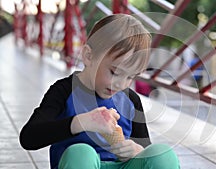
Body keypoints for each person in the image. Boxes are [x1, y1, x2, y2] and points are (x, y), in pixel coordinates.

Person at [19, 14, 179, 169]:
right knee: (81, 153)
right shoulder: (64, 91)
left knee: (163, 155)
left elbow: (146, 148)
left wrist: (136, 151)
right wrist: (81, 122)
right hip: (79, 163)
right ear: (89, 56)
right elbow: (29, 138)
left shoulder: (130, 99)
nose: (121, 84)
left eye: (130, 77)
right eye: (115, 72)